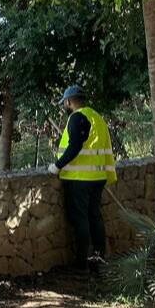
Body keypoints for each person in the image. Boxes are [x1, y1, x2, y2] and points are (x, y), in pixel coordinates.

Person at [48, 85, 117, 273]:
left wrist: (57, 166)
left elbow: (75, 146)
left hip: (80, 178)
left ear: (69, 102)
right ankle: (98, 260)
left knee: (81, 220)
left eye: (65, 103)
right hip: (98, 177)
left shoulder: (76, 117)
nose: (65, 105)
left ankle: (81, 264)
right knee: (95, 217)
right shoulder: (98, 118)